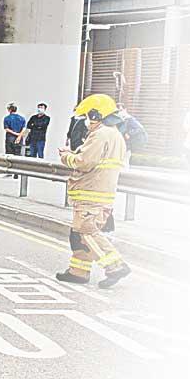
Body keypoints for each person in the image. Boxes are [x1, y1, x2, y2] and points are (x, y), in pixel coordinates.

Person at [56, 94, 132, 289]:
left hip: (91, 192)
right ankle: (78, 271)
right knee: (78, 234)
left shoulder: (101, 134)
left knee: (86, 231)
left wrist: (67, 157)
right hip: (100, 193)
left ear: (97, 114)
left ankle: (115, 265)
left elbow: (85, 162)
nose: (87, 121)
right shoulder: (115, 135)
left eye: (89, 116)